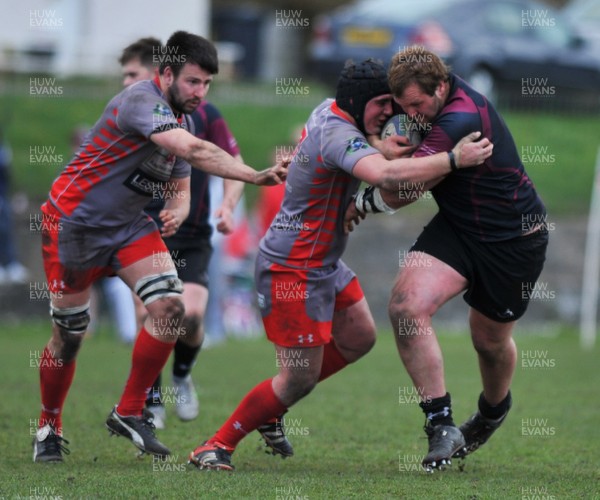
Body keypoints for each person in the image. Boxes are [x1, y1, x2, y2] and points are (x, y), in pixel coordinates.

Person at [187, 58, 493, 471]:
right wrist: (453, 160)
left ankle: (273, 407)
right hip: (291, 270)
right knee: (297, 379)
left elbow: (354, 151)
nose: (390, 112)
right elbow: (385, 175)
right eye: (382, 103)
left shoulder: (332, 111)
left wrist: (376, 147)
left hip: (323, 263)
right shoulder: (338, 134)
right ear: (357, 102)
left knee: (359, 337)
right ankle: (216, 445)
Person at [32, 30, 287, 463]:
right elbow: (190, 148)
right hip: (73, 226)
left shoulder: (183, 118)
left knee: (173, 309)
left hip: (129, 227)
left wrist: (179, 208)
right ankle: (48, 426)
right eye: (192, 81)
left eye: (207, 84)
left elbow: (180, 178)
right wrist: (253, 175)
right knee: (70, 335)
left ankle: (130, 411)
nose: (200, 92)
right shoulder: (139, 101)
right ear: (165, 73)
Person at [350, 47, 548, 472]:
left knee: (489, 342)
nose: (411, 114)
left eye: (417, 105)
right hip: (458, 227)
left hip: (511, 238)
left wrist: (358, 204)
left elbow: (406, 190)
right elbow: (402, 155)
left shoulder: (461, 119)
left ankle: (493, 411)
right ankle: (441, 424)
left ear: (440, 88)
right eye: (403, 107)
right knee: (405, 308)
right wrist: (382, 145)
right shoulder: (424, 109)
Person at [118, 37, 246, 429]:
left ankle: (180, 376)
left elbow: (233, 164)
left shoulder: (205, 116)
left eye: (133, 75)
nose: (128, 84)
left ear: (159, 74)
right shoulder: (129, 115)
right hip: (143, 235)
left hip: (190, 236)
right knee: (150, 313)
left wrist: (226, 206)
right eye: (124, 76)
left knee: (189, 317)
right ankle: (150, 402)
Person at [0, 127, 29, 285]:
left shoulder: (4, 151)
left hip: (3, 197)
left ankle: (10, 264)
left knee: (6, 228)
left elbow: (8, 177)